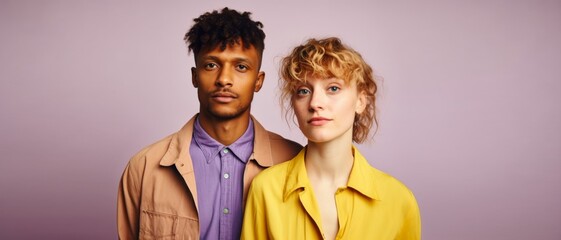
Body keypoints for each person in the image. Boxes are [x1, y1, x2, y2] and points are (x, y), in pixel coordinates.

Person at [117, 8, 302, 240]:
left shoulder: (297, 163)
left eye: (241, 67)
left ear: (258, 81)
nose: (224, 79)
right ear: (195, 76)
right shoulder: (144, 168)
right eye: (211, 65)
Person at [241, 37, 421, 239]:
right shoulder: (265, 189)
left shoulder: (398, 200)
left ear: (361, 101)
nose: (315, 103)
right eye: (304, 91)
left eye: (333, 88)